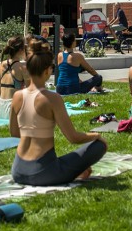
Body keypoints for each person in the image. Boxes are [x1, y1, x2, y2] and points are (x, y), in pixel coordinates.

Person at [9, 40, 107, 186]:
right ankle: (75, 171)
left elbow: (14, 132)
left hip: (18, 171)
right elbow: (73, 137)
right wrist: (97, 135)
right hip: (43, 173)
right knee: (99, 145)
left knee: (63, 162)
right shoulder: (52, 98)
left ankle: (73, 170)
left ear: (28, 69)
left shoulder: (17, 96)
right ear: (48, 70)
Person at [0, 36, 29, 120]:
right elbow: (30, 92)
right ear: (21, 50)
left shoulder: (2, 65)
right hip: (12, 107)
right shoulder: (22, 68)